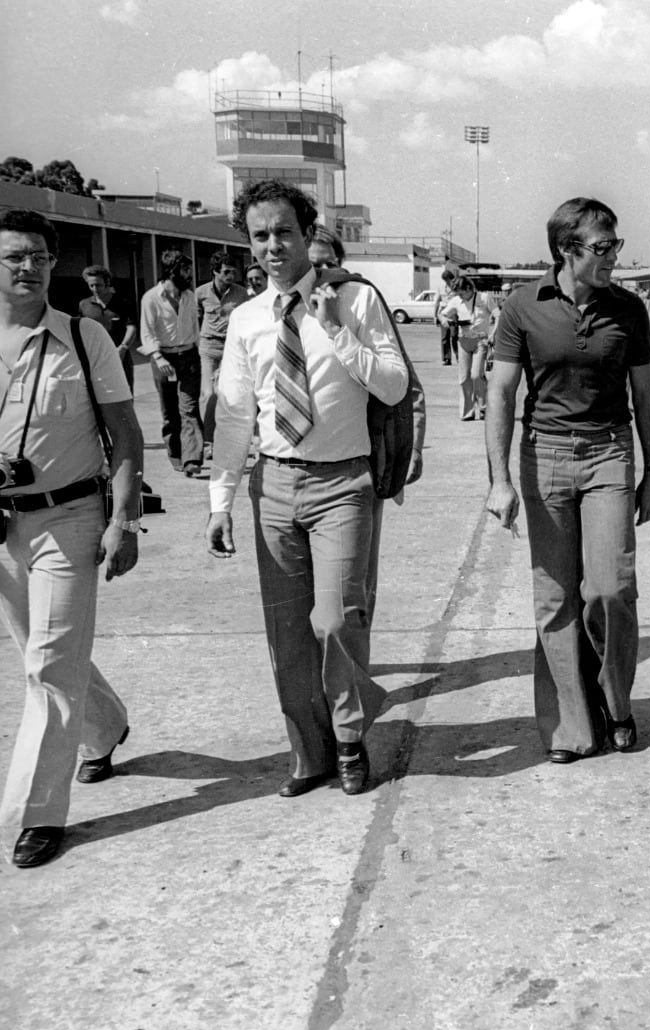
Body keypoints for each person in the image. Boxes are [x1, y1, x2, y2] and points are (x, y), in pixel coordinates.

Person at [207, 180, 409, 799]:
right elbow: (236, 416)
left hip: (343, 484)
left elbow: (396, 387)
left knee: (334, 620)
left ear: (306, 232)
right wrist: (220, 502)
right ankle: (311, 752)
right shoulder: (245, 319)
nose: (274, 245)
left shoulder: (354, 301)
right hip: (271, 484)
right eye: (260, 234)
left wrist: (338, 332)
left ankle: (350, 735)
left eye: (284, 232)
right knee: (286, 633)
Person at [484, 197, 650, 764]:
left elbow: (645, 394)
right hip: (546, 456)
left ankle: (616, 703)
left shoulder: (629, 310)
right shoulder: (522, 306)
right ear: (567, 250)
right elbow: (501, 393)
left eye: (616, 246)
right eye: (603, 248)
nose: (614, 257)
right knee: (555, 598)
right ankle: (570, 728)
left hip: (610, 452)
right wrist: (499, 479)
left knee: (609, 589)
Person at [0, 209, 143, 868]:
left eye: (34, 255)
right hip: (5, 526)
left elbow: (125, 434)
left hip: (70, 517)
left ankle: (34, 814)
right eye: (10, 256)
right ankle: (105, 726)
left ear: (52, 262)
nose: (23, 267)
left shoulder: (85, 339)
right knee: (45, 652)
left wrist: (123, 519)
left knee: (48, 665)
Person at [307, 224, 427, 623]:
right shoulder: (276, 309)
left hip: (361, 459)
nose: (323, 276)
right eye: (313, 266)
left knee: (353, 584)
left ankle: (354, 666)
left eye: (329, 265)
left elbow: (405, 386)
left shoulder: (359, 303)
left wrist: (413, 449)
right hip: (297, 465)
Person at [139, 249, 205, 476]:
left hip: (189, 356)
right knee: (170, 411)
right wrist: (157, 357)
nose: (189, 275)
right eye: (185, 270)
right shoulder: (151, 298)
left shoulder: (189, 296)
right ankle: (175, 453)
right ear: (171, 271)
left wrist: (198, 352)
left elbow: (195, 328)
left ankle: (192, 459)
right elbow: (146, 333)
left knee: (190, 408)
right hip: (163, 358)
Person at [195, 250, 247, 449]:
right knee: (208, 394)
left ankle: (225, 438)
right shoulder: (200, 293)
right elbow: (194, 319)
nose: (231, 277)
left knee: (227, 393)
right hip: (208, 347)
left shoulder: (241, 294)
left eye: (233, 272)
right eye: (226, 272)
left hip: (230, 347)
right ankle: (208, 441)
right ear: (215, 272)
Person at [441, 266, 492, 419]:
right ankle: (467, 411)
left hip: (480, 341)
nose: (461, 297)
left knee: (476, 375)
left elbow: (498, 314)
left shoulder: (484, 298)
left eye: (462, 293)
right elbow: (442, 314)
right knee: (464, 378)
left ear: (469, 288)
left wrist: (493, 334)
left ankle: (484, 407)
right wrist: (445, 320)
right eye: (459, 295)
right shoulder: (456, 301)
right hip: (463, 342)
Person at [79, 265, 138, 386]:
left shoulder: (123, 303)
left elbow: (131, 327)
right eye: (91, 285)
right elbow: (81, 330)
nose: (95, 289)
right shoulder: (84, 305)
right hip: (95, 358)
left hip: (120, 356)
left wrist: (123, 347)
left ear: (107, 283)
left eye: (98, 285)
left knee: (124, 394)